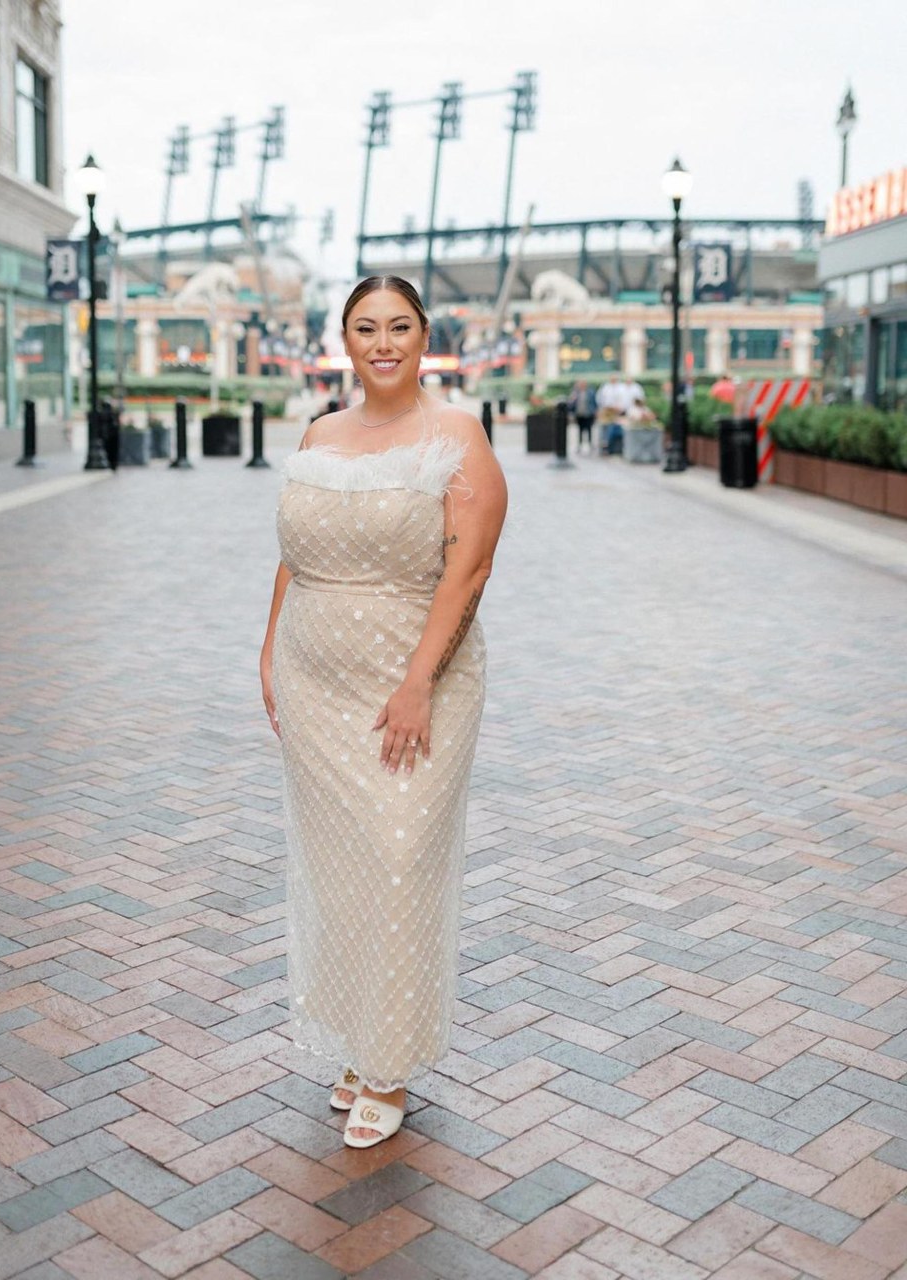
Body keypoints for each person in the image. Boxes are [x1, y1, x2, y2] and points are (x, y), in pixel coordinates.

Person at [260, 275, 507, 1149]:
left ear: (424, 335)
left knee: (400, 857)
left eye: (399, 326)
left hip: (415, 685)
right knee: (342, 869)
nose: (383, 342)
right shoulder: (321, 431)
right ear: (346, 340)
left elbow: (468, 572)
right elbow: (295, 552)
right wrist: (269, 650)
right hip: (316, 683)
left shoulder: (457, 436)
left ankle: (391, 1064)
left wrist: (416, 684)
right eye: (365, 328)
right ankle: (361, 1046)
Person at [567, 379, 597, 453]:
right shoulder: (576, 392)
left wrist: (595, 412)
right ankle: (579, 445)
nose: (582, 385)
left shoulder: (590, 392)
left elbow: (594, 403)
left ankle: (590, 445)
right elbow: (571, 403)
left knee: (589, 429)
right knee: (580, 430)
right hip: (579, 414)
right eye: (580, 384)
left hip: (588, 413)